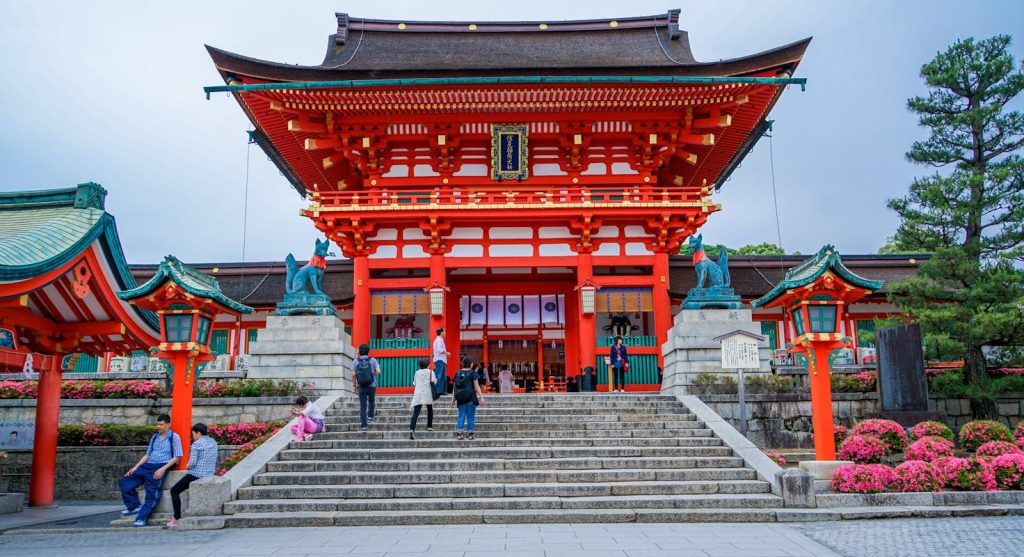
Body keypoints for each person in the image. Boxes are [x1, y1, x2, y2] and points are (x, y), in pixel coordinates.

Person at [119, 414, 182, 527]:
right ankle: (133, 506)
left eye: (161, 424)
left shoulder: (174, 437)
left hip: (161, 465)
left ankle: (141, 518)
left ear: (168, 425)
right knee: (126, 481)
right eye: (157, 424)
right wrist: (136, 466)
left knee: (151, 493)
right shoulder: (155, 437)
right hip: (148, 465)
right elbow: (147, 454)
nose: (158, 426)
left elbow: (177, 457)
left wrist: (163, 469)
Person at [164, 423, 218, 528]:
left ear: (198, 433)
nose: (193, 436)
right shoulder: (213, 442)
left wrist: (187, 466)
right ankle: (189, 506)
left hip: (197, 474)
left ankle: (176, 518)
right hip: (210, 473)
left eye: (193, 434)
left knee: (174, 491)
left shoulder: (196, 444)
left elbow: (192, 463)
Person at [452, 355, 484, 440]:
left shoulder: (458, 373)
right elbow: (477, 386)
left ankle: (460, 434)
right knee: (470, 417)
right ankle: (470, 434)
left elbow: (454, 387)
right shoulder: (473, 373)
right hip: (471, 398)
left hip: (460, 399)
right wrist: (481, 397)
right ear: (471, 364)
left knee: (461, 416)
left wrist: (453, 398)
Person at [351, 344, 380, 431]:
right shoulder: (373, 360)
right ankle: (370, 417)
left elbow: (353, 375)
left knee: (363, 406)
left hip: (361, 386)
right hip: (371, 385)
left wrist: (354, 385)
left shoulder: (356, 361)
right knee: (371, 401)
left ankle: (364, 426)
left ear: (359, 352)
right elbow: (378, 371)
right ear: (368, 351)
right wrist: (374, 377)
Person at [409, 357, 436, 439]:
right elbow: (434, 381)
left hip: (418, 393)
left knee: (416, 413)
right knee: (430, 409)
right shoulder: (431, 372)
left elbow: (415, 383)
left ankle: (412, 429)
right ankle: (429, 426)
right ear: (428, 364)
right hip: (427, 393)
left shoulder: (417, 372)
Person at [432, 327, 450, 400]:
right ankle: (437, 391)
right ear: (441, 332)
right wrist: (447, 353)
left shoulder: (438, 340)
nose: (445, 333)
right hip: (440, 360)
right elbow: (439, 350)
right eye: (444, 332)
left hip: (440, 360)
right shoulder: (439, 340)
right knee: (439, 375)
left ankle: (440, 390)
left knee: (442, 376)